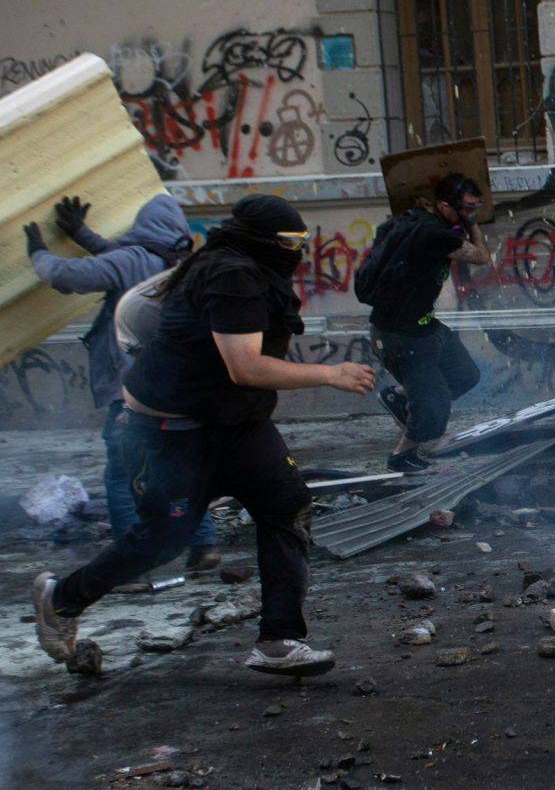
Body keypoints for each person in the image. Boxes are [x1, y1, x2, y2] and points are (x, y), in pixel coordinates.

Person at [31, 195, 376, 675]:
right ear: (265, 241)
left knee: (286, 503)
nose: (297, 251)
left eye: (302, 242)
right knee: (161, 541)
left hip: (235, 423)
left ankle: (279, 639)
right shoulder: (231, 274)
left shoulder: (239, 266)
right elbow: (245, 366)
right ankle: (61, 599)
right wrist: (330, 374)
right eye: (291, 243)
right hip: (173, 432)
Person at [24, 193, 219, 567]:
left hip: (134, 391)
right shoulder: (181, 266)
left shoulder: (134, 262)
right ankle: (204, 544)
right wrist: (83, 235)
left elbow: (66, 276)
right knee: (179, 469)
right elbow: (123, 258)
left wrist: (37, 252)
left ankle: (131, 566)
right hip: (178, 389)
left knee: (122, 478)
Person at [360, 174, 490, 473]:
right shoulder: (435, 235)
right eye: (466, 209)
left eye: (475, 209)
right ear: (444, 205)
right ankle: (401, 456)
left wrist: (463, 216)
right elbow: (482, 256)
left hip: (425, 326)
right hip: (402, 337)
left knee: (465, 375)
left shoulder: (414, 221)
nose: (470, 215)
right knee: (434, 411)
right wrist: (472, 225)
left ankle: (399, 397)